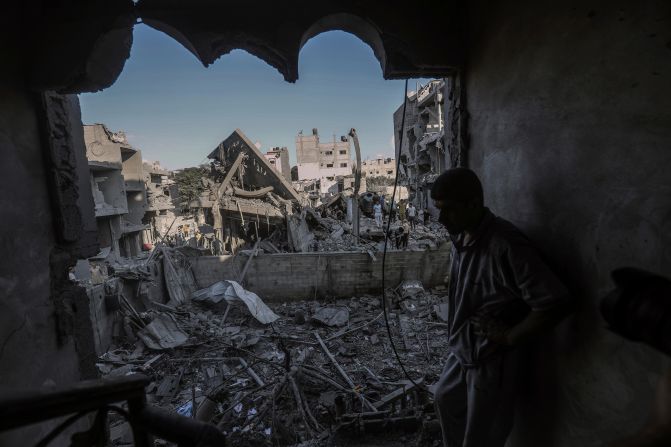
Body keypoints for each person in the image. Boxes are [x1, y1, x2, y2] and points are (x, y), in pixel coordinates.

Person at [430, 168, 571, 447]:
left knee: (480, 439)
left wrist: (509, 336)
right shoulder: (461, 238)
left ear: (473, 203)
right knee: (444, 400)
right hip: (462, 351)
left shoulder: (505, 244)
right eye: (439, 210)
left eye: (448, 210)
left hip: (490, 359)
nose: (441, 219)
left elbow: (555, 302)